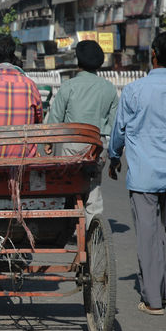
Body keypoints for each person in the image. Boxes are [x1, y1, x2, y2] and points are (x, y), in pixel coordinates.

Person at [108, 31, 166, 316]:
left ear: (153, 55)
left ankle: (153, 300)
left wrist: (113, 157)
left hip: (145, 177)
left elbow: (118, 131)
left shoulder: (135, 90)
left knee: (148, 235)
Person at [46, 40, 118, 226]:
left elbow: (55, 121)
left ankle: (71, 224)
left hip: (72, 148)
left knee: (71, 186)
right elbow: (114, 124)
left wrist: (47, 144)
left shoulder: (69, 86)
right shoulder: (109, 88)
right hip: (97, 146)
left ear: (77, 61)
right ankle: (93, 232)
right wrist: (114, 153)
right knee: (93, 188)